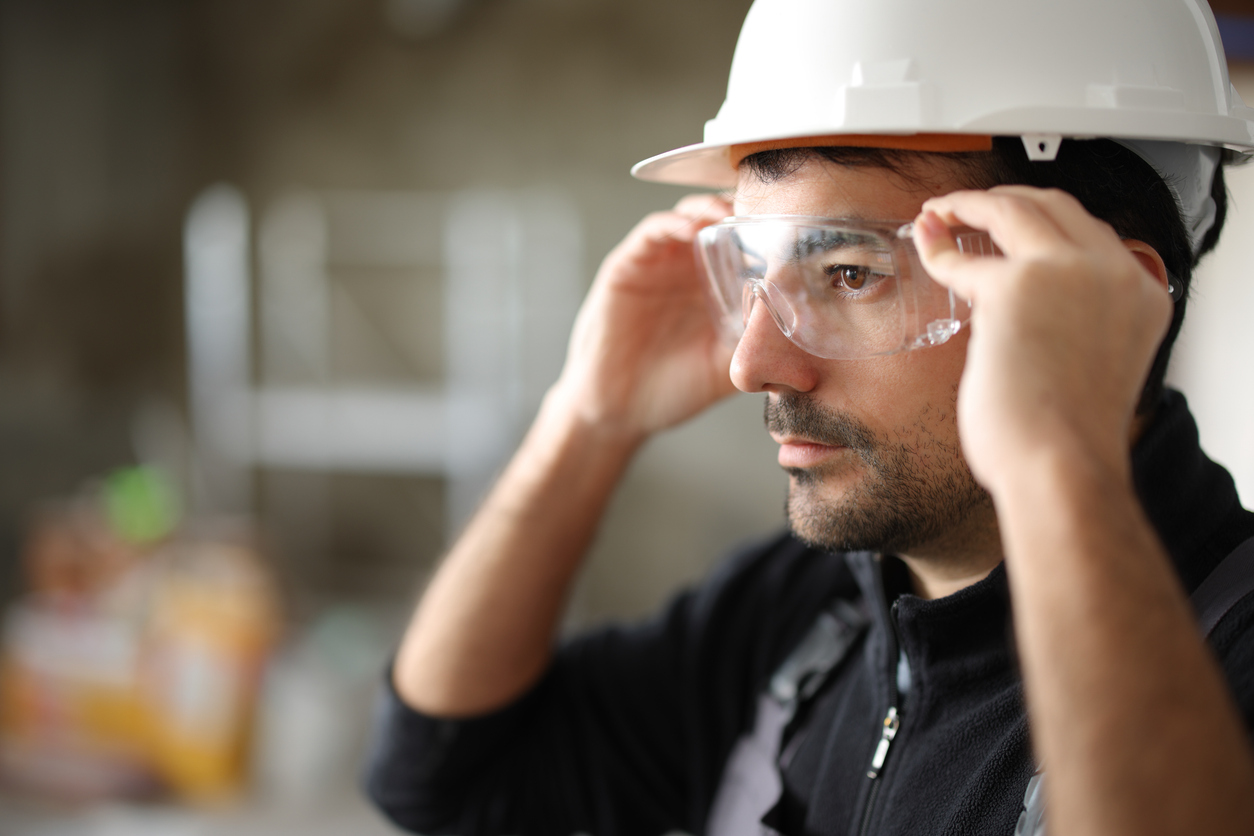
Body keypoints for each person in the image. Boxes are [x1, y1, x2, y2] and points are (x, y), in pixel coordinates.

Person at [363, 1, 1254, 834]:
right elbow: (442, 776)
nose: (755, 363)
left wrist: (1060, 455)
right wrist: (588, 421)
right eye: (754, 275)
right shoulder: (803, 615)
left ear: (1112, 301)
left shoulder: (1233, 652)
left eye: (852, 273)